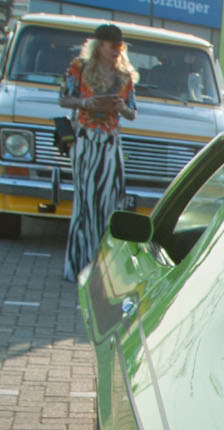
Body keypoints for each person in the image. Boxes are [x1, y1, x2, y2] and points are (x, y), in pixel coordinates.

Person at [58, 23, 137, 283]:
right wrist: (85, 103)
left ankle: (101, 267)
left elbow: (132, 112)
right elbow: (64, 98)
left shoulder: (124, 75)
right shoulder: (79, 68)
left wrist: (120, 106)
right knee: (86, 202)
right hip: (86, 141)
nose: (117, 50)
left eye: (119, 46)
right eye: (111, 45)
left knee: (109, 203)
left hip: (110, 143)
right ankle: (79, 264)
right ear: (99, 45)